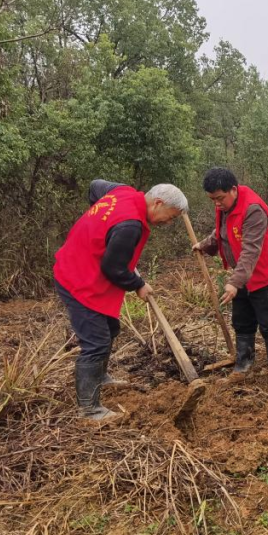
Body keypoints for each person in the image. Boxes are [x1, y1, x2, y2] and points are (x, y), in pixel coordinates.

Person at [54, 180, 188, 421]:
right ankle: (89, 409)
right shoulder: (130, 226)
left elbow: (94, 186)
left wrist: (99, 226)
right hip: (78, 278)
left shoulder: (122, 192)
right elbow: (113, 268)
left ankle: (100, 378)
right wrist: (138, 285)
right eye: (171, 217)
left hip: (85, 269)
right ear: (158, 203)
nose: (168, 223)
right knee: (96, 342)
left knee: (110, 328)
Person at [192, 168, 268, 391]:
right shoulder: (226, 205)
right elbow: (222, 231)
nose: (216, 204)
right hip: (243, 274)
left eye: (219, 198)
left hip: (265, 274)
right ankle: (243, 366)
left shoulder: (253, 210)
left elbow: (251, 250)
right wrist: (205, 244)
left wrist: (234, 283)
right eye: (212, 200)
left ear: (233, 190)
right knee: (242, 321)